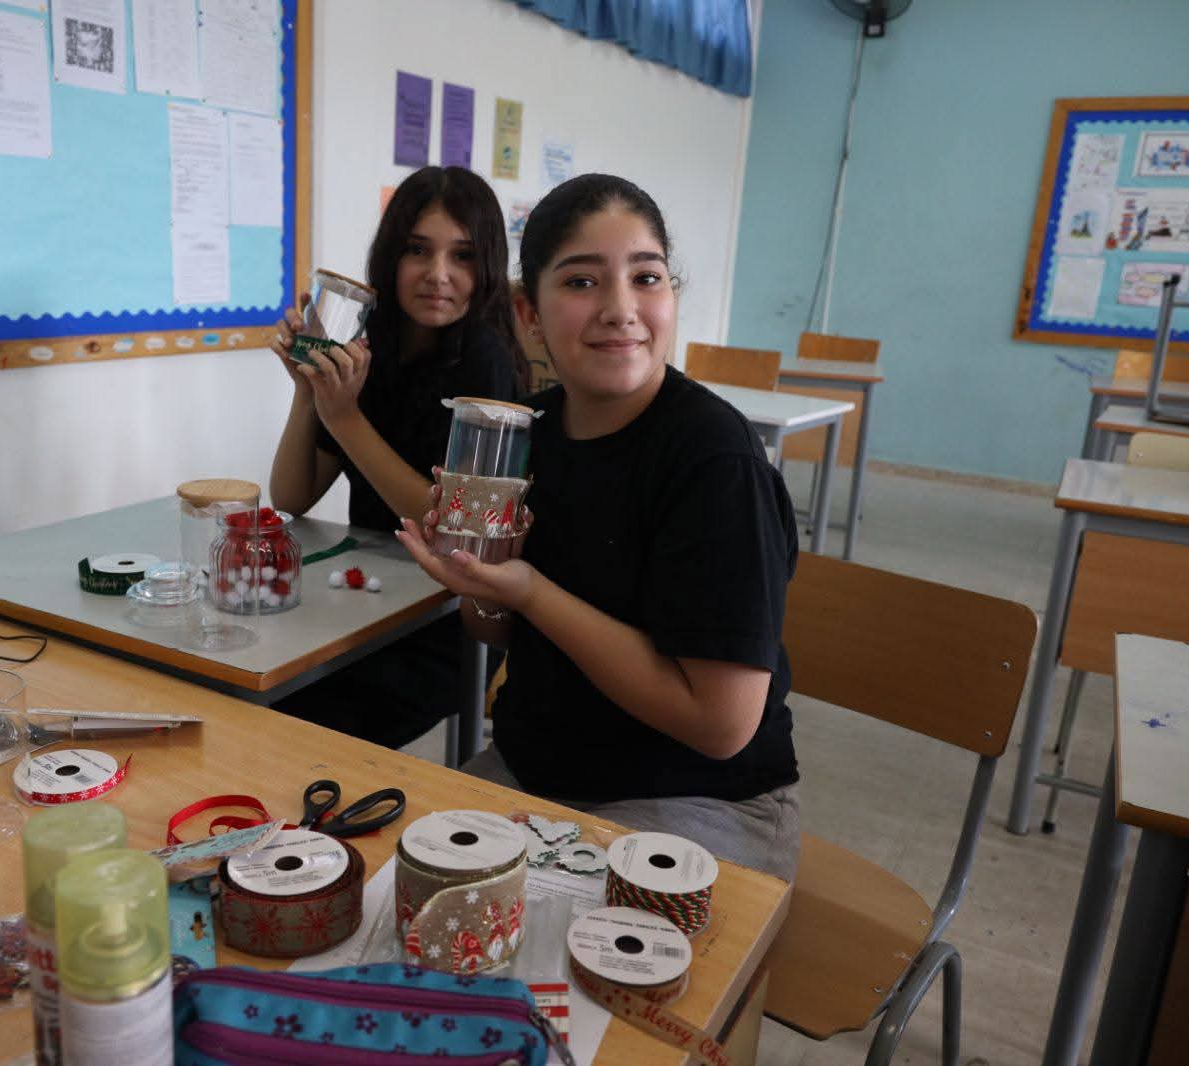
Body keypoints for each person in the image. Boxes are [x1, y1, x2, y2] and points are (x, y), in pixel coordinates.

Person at [397, 174, 800, 880]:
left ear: (672, 296)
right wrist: (481, 582)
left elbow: (722, 725)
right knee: (401, 892)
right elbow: (497, 632)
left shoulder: (713, 459)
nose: (620, 309)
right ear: (528, 313)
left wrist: (530, 591)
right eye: (582, 282)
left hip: (695, 798)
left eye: (646, 277)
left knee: (541, 938)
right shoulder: (532, 432)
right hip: (536, 773)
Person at [267, 165, 526, 748]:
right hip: (360, 601)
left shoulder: (486, 361)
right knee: (255, 692)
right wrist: (309, 388)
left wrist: (345, 417)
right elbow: (291, 496)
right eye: (417, 250)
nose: (438, 274)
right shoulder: (369, 343)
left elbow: (456, 534)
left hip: (446, 620)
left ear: (486, 266)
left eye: (462, 256)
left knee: (300, 727)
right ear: (390, 256)